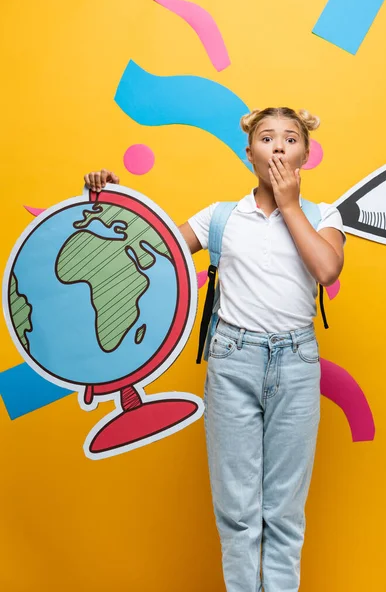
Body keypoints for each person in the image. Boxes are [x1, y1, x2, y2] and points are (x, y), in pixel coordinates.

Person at [84, 106, 345, 592]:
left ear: (306, 154)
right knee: (239, 513)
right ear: (249, 153)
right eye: (267, 138)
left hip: (297, 364)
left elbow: (327, 271)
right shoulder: (221, 218)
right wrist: (110, 201)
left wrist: (290, 205)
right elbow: (152, 250)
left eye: (291, 139)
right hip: (232, 362)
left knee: (284, 513)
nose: (279, 148)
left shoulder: (322, 215)